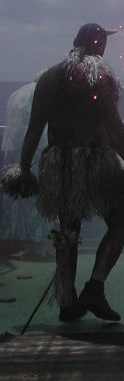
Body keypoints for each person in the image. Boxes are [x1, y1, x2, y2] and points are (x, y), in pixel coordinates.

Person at [0, 23, 124, 322]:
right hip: (97, 161)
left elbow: (34, 130)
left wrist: (24, 168)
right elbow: (113, 125)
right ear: (99, 44)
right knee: (119, 223)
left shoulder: (48, 78)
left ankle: (67, 302)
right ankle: (94, 288)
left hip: (60, 165)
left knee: (67, 233)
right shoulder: (100, 75)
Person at [0, 77, 50, 256]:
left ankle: (18, 242)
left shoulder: (16, 94)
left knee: (17, 200)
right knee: (38, 197)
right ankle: (39, 244)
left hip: (14, 151)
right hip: (37, 151)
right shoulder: (42, 92)